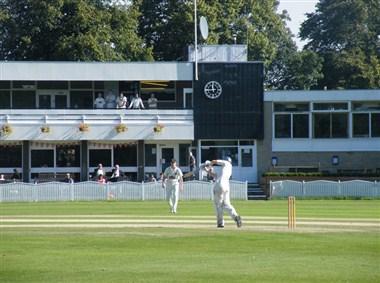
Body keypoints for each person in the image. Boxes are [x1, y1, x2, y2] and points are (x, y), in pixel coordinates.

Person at [202, 158, 242, 228]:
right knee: (227, 204)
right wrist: (206, 170)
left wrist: (208, 164)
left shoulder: (226, 163)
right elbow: (215, 176)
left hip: (219, 185)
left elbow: (215, 161)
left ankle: (220, 223)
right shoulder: (227, 170)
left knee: (218, 205)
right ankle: (236, 217)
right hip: (226, 186)